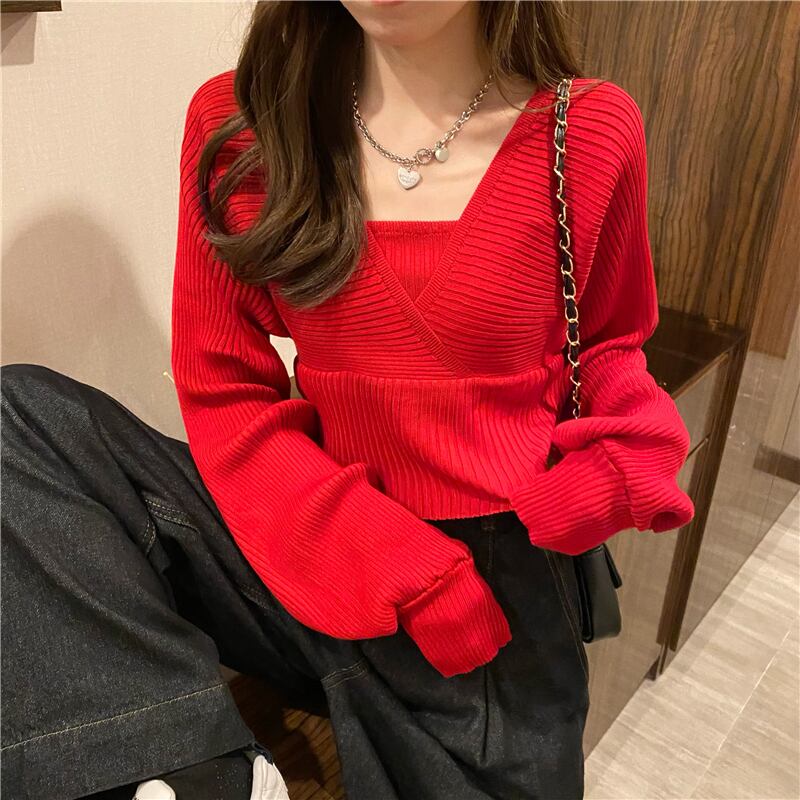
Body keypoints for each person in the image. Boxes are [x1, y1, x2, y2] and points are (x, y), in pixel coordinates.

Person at [1, 2, 696, 799]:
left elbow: (606, 341)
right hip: (314, 531)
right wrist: (388, 558)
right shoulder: (244, 124)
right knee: (21, 419)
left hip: (492, 593)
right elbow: (222, 386)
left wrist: (627, 453)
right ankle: (206, 781)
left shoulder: (588, 130)